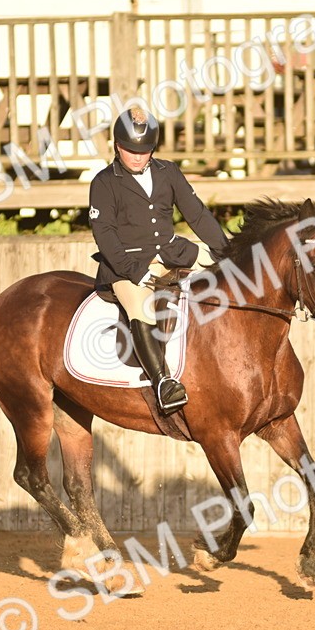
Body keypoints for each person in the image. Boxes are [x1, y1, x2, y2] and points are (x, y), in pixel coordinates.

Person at [88, 107, 230, 415]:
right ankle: (163, 382)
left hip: (172, 251)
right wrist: (134, 273)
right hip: (126, 264)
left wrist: (225, 250)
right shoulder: (103, 182)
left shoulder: (169, 171)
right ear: (117, 145)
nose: (138, 157)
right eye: (131, 151)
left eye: (145, 151)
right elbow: (106, 235)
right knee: (140, 307)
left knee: (232, 271)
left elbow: (196, 214)